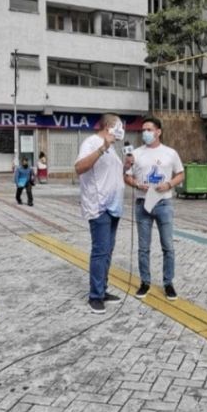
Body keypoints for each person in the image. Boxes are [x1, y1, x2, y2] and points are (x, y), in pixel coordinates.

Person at [125, 116, 184, 301]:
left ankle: (168, 283)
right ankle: (145, 282)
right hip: (143, 204)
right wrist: (136, 185)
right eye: (143, 130)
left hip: (164, 203)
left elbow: (180, 174)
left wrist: (169, 185)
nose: (145, 133)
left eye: (149, 129)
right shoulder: (136, 153)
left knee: (168, 246)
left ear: (158, 132)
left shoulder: (170, 153)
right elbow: (126, 176)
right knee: (143, 248)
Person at [75, 114, 126, 314]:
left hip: (114, 207)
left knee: (108, 251)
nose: (123, 129)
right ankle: (95, 296)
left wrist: (127, 165)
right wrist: (103, 147)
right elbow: (79, 167)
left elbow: (111, 175)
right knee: (100, 251)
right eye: (119, 125)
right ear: (109, 126)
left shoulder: (113, 149)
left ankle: (102, 289)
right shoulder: (92, 142)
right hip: (99, 206)